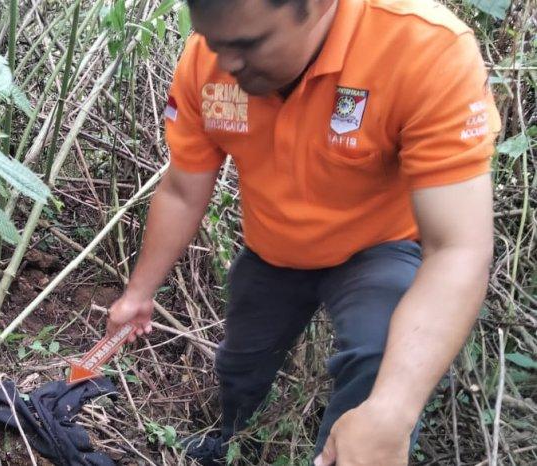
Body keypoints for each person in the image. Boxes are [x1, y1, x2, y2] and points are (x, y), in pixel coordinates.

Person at [104, 0, 500, 463]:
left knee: (378, 358)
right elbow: (182, 191)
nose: (226, 63)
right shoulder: (207, 62)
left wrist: (392, 410)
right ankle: (234, 441)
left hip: (377, 247)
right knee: (241, 362)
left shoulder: (423, 48)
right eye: (214, 41)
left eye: (248, 44)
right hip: (274, 247)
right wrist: (139, 292)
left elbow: (458, 249)